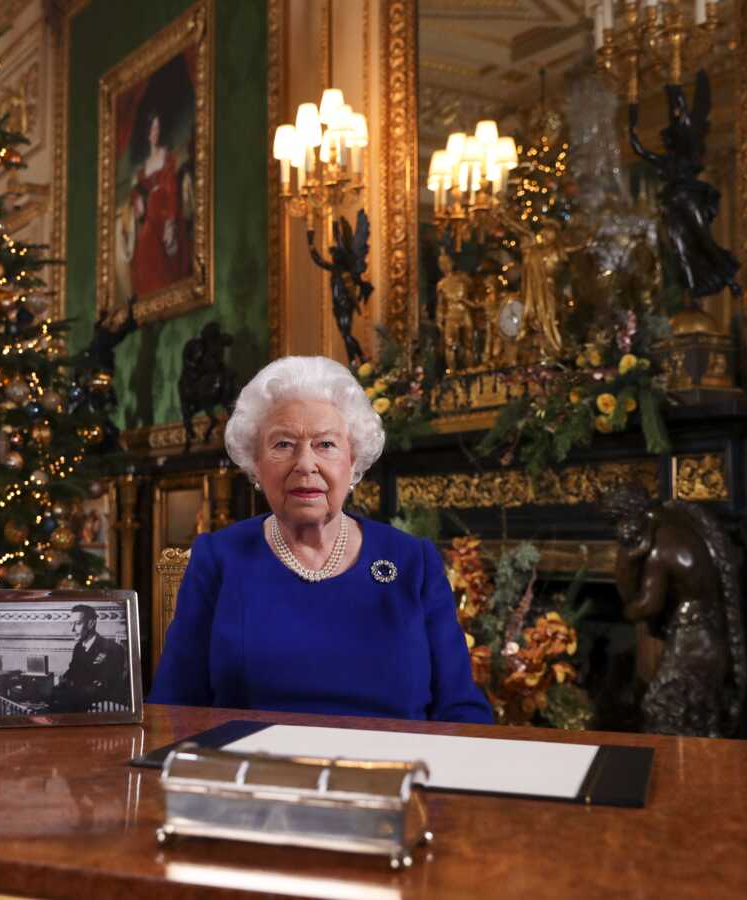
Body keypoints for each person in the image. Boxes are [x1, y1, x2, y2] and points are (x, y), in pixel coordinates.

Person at [149, 355, 493, 724]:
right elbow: (173, 706)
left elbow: (460, 706)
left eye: (325, 444)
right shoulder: (219, 558)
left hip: (392, 774)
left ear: (353, 458)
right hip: (254, 773)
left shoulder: (413, 561)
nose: (305, 464)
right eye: (283, 444)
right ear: (255, 463)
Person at [123, 108, 190, 296]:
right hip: (151, 216)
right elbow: (137, 192)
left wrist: (169, 221)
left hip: (167, 211)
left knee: (158, 239)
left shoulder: (166, 157)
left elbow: (171, 188)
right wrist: (138, 201)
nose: (155, 132)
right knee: (144, 243)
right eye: (152, 128)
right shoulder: (142, 168)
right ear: (147, 132)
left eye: (158, 128)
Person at [40, 605, 127, 712]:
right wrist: (58, 681)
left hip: (100, 707)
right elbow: (72, 672)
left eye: (77, 624)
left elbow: (103, 686)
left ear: (91, 623)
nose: (72, 629)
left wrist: (67, 693)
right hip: (77, 700)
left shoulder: (113, 649)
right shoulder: (78, 647)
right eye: (71, 624)